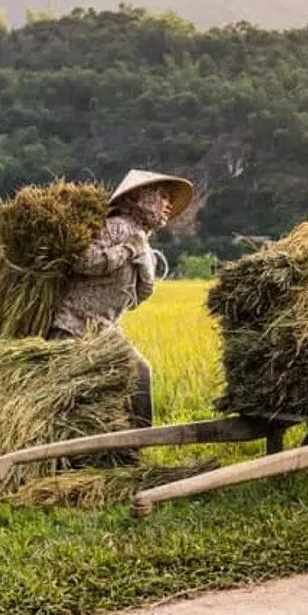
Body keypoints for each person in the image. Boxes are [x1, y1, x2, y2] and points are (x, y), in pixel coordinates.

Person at [47, 169, 194, 430]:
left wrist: (144, 270)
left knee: (140, 373)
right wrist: (128, 250)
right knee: (77, 399)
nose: (168, 205)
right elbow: (83, 262)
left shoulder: (142, 239)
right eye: (162, 197)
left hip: (105, 331)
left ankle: (133, 446)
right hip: (75, 328)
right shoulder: (115, 227)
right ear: (138, 197)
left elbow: (134, 298)